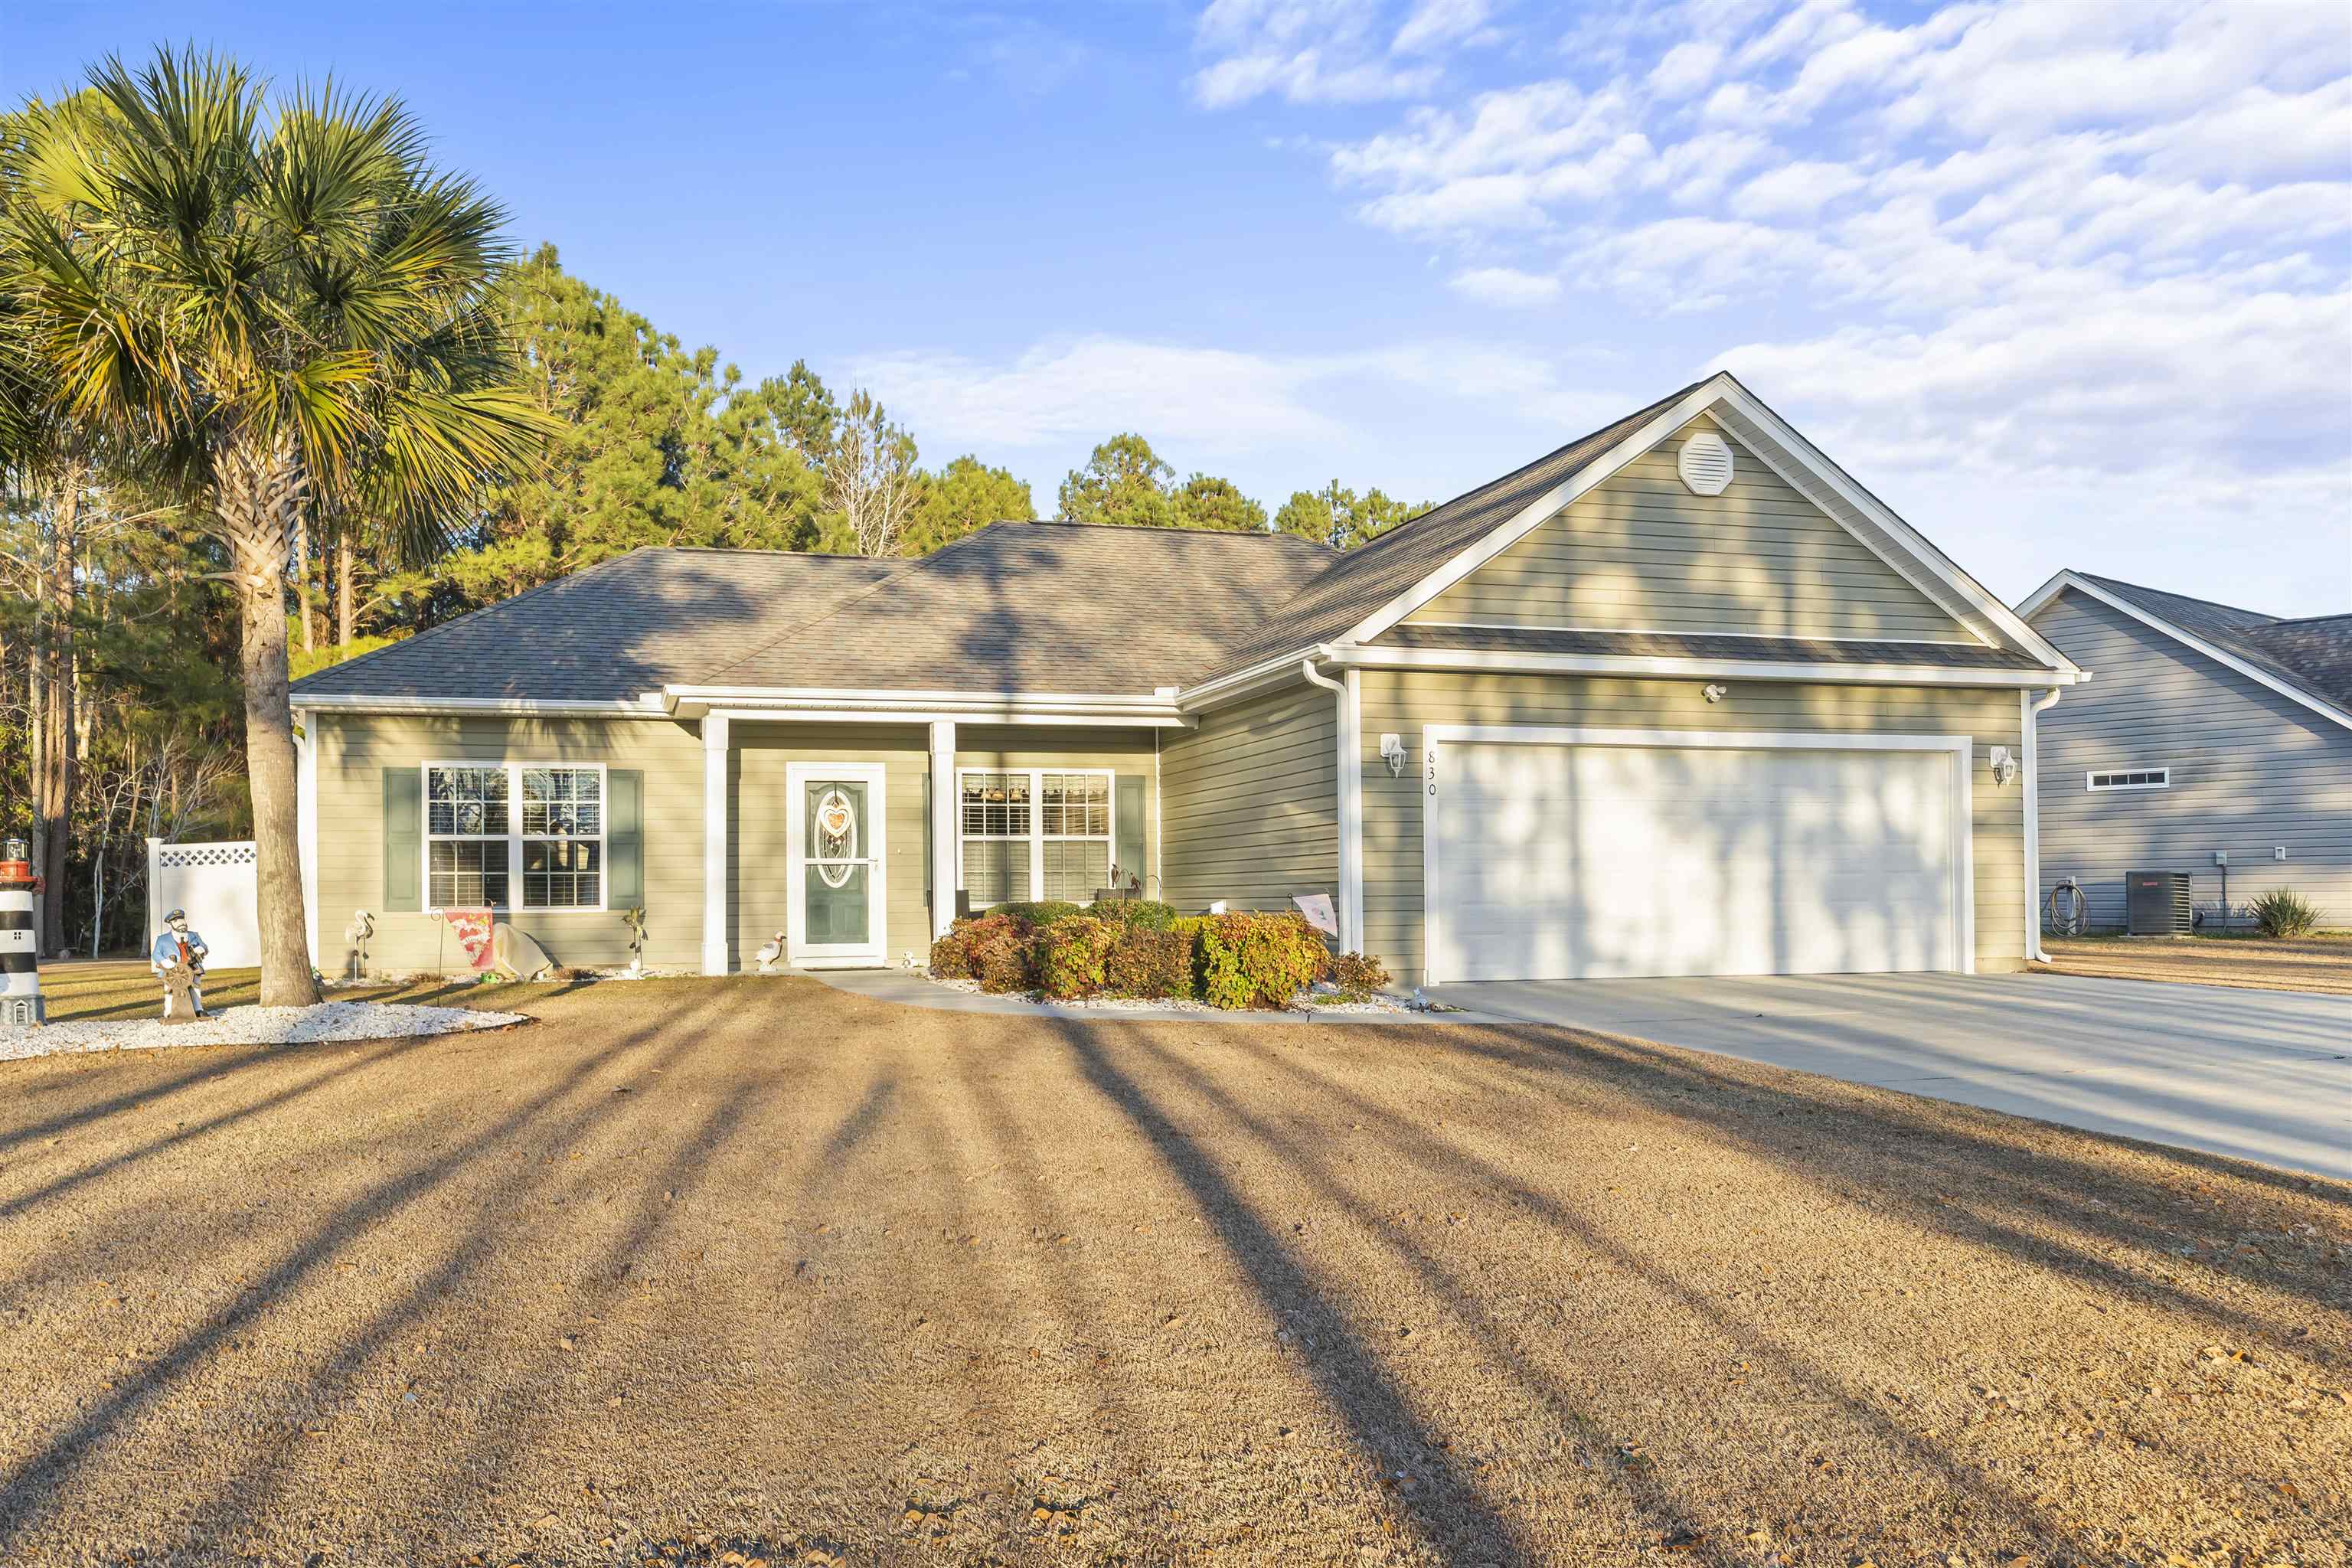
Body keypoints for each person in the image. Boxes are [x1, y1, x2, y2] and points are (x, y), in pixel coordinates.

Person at [152, 908, 209, 1019]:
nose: (181, 923)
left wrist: (201, 948)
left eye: (182, 919)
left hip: (192, 968)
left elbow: (205, 948)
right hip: (172, 971)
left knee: (195, 989)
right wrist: (165, 962)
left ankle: (198, 1010)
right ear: (171, 924)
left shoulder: (194, 935)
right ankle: (169, 1012)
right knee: (169, 991)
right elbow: (156, 954)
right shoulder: (162, 940)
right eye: (176, 921)